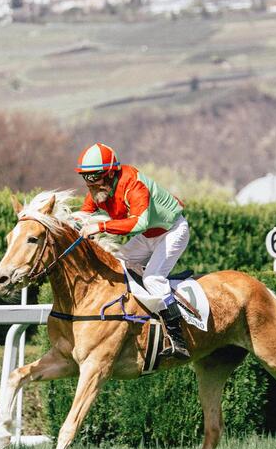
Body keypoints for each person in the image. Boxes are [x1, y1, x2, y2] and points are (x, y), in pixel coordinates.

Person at [75, 142, 190, 360]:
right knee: (115, 262)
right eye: (86, 178)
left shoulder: (134, 185)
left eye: (95, 177)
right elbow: (82, 216)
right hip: (148, 237)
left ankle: (178, 339)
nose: (90, 184)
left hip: (173, 231)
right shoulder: (98, 190)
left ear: (110, 174)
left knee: (153, 278)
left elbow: (139, 222)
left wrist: (100, 226)